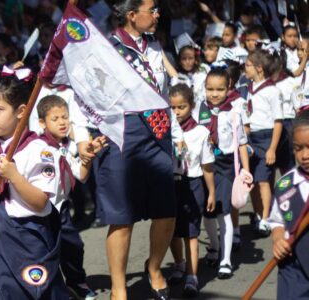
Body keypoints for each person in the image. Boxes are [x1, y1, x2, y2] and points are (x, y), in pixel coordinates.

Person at [97, 1, 185, 298]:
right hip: (124, 132)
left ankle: (155, 267)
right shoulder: (106, 48)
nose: (158, 13)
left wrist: (179, 131)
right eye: (152, 8)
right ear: (132, 15)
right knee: (122, 218)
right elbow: (92, 94)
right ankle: (118, 288)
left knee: (166, 211)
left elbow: (164, 92)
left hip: (158, 132)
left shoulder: (156, 46)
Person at [0, 77, 69, 299]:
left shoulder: (39, 150)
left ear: (21, 111)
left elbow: (40, 201)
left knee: (35, 292)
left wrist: (14, 177)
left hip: (29, 236)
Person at [36, 95, 103, 300]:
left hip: (61, 207)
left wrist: (88, 157)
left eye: (65, 117)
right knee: (45, 252)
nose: (62, 122)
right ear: (42, 123)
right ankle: (47, 291)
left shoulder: (66, 146)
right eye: (55, 119)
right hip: (39, 208)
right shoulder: (36, 146)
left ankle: (76, 283)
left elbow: (81, 176)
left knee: (73, 245)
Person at [198, 68, 252, 279]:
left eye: (220, 89)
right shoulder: (198, 110)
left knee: (224, 212)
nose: (214, 94)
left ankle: (226, 259)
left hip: (225, 165)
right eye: (210, 89)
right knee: (207, 212)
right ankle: (213, 246)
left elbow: (241, 144)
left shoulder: (234, 112)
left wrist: (245, 171)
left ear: (229, 87)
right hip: (204, 165)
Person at [166, 84, 216, 297]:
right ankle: (179, 264)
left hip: (192, 183)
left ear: (192, 106)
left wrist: (211, 192)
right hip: (170, 183)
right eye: (173, 107)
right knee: (170, 229)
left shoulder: (201, 132)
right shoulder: (165, 131)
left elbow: (207, 166)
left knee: (191, 232)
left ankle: (192, 275)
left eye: (182, 107)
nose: (177, 112)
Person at [268, 109, 309, 299]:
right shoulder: (285, 185)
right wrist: (277, 239)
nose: (304, 155)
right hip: (295, 268)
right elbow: (277, 221)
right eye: (298, 148)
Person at [246, 49, 283, 237]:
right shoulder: (248, 88)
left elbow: (278, 122)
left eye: (248, 65)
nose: (245, 68)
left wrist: (272, 149)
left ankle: (266, 219)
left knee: (262, 180)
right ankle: (258, 214)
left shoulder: (272, 90)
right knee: (251, 181)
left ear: (259, 68)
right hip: (250, 137)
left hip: (266, 137)